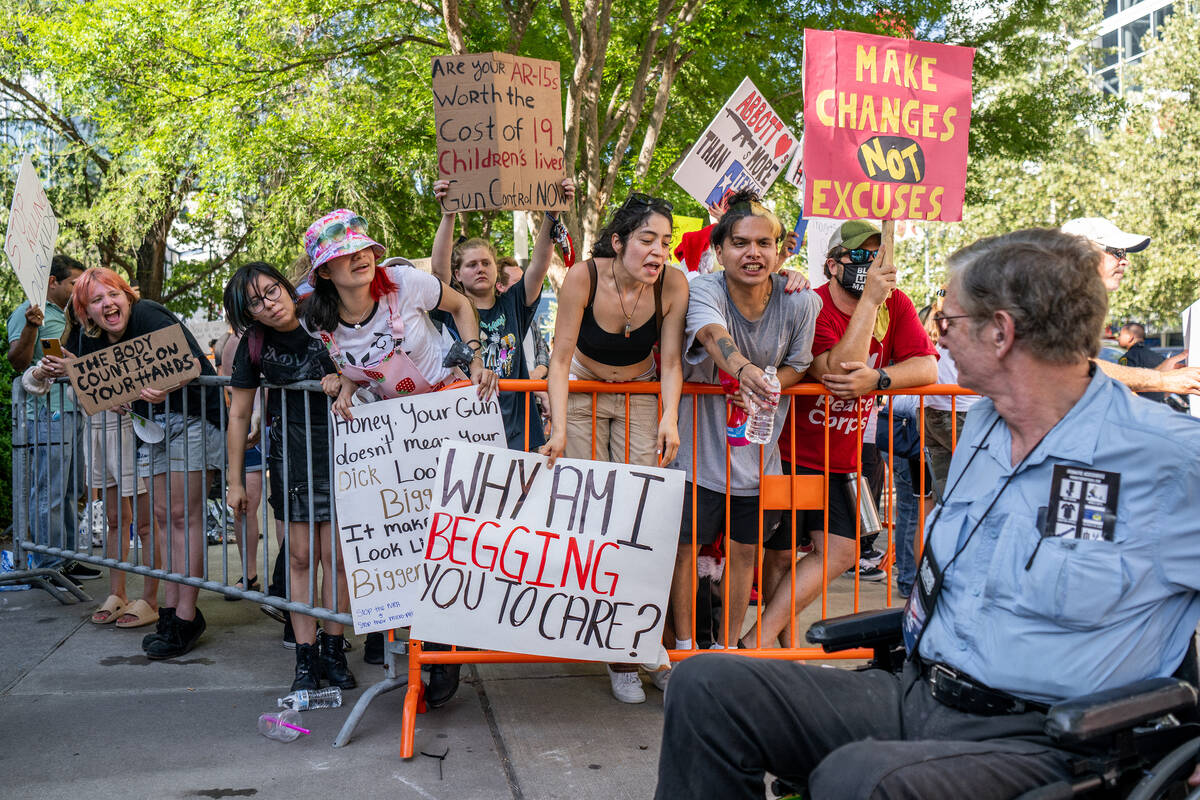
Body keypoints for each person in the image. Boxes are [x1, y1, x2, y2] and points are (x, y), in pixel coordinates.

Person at [655, 227, 1200, 800]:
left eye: (947, 322)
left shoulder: (1163, 459)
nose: (938, 339)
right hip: (924, 692)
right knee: (705, 686)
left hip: (1055, 740)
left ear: (1000, 333)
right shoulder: (985, 425)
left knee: (856, 778)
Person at [299, 208, 497, 704]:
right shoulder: (316, 322)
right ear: (325, 271)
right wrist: (343, 383)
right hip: (392, 438)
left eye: (363, 248)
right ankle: (430, 652)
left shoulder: (408, 284)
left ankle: (447, 646)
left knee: (458, 533)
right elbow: (360, 366)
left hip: (448, 419)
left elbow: (463, 308)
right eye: (345, 255)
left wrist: (474, 356)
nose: (360, 258)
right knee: (411, 543)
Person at [746, 220, 937, 649]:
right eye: (862, 257)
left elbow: (928, 367)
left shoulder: (897, 305)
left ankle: (757, 639)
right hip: (793, 452)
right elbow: (837, 371)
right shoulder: (810, 305)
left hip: (846, 460)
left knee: (843, 551)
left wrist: (880, 378)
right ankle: (782, 647)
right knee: (779, 555)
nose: (873, 266)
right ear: (833, 266)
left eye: (879, 256)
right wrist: (870, 301)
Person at [539, 190, 689, 703]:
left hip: (642, 394)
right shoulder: (584, 276)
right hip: (580, 390)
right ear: (619, 241)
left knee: (638, 521)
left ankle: (646, 644)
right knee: (593, 517)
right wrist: (558, 428)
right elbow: (558, 360)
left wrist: (669, 417)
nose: (657, 251)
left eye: (665, 242)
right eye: (647, 239)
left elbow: (671, 362)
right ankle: (618, 652)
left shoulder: (673, 283)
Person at [666, 190, 819, 653]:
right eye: (740, 243)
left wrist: (769, 382)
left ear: (781, 250)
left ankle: (727, 652)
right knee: (684, 555)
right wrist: (745, 372)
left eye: (763, 244)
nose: (752, 253)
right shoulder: (703, 290)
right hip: (696, 458)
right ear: (719, 250)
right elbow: (713, 336)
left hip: (759, 461)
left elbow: (800, 364)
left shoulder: (801, 302)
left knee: (745, 555)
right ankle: (689, 648)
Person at [50, 268, 223, 659]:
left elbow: (194, 365)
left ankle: (184, 615)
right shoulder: (90, 338)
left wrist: (167, 385)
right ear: (86, 311)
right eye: (97, 300)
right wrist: (65, 370)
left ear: (127, 296)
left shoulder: (148, 314)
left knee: (183, 517)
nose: (108, 303)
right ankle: (172, 611)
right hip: (149, 428)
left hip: (190, 419)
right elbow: (100, 389)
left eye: (113, 294)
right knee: (164, 517)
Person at [224, 261, 356, 692]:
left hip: (347, 455)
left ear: (285, 285)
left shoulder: (325, 315)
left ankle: (334, 651)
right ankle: (305, 657)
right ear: (249, 313)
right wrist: (236, 481)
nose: (269, 304)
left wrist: (346, 380)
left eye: (272, 291)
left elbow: (369, 365)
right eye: (256, 302)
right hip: (290, 461)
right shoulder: (253, 344)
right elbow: (239, 414)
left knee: (337, 558)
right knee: (299, 558)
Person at [429, 178, 574, 450]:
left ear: (496, 270)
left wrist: (553, 215)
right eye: (471, 265)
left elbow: (540, 264)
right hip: (466, 430)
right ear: (458, 274)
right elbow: (438, 271)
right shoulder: (452, 307)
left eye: (486, 263)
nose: (480, 268)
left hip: (518, 430)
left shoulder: (514, 302)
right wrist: (448, 214)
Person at [7, 255, 99, 581]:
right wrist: (33, 326)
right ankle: (48, 566)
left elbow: (64, 357)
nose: (78, 289)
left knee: (71, 491)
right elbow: (18, 361)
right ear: (52, 282)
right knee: (49, 492)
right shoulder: (26, 313)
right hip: (47, 414)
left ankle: (67, 559)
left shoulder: (65, 315)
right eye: (74, 283)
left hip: (71, 411)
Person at [1061, 216, 1200, 395]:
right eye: (1117, 252)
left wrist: (1159, 377)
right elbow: (1074, 367)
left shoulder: (1077, 303)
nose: (1125, 261)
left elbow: (1090, 385)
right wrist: (1161, 380)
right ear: (1081, 254)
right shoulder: (1055, 302)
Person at [1117, 322, 1169, 403]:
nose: (1118, 338)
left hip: (1138, 408)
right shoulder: (1158, 357)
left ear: (1130, 337)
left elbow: (1125, 387)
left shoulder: (1128, 358)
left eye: (1120, 335)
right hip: (1159, 407)